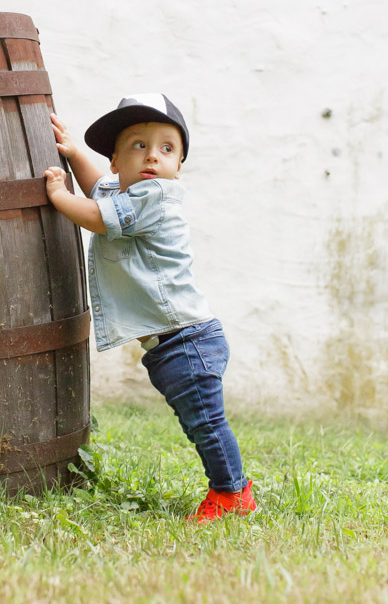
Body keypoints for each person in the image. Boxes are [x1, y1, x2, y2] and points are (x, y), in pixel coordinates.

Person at [43, 94, 256, 522]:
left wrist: (56, 194)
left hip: (187, 340)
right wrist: (74, 153)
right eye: (138, 145)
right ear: (116, 161)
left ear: (178, 166)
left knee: (206, 424)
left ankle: (233, 493)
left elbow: (97, 216)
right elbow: (98, 187)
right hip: (174, 342)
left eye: (166, 148)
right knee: (200, 422)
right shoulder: (124, 189)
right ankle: (232, 486)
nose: (153, 156)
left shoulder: (157, 196)